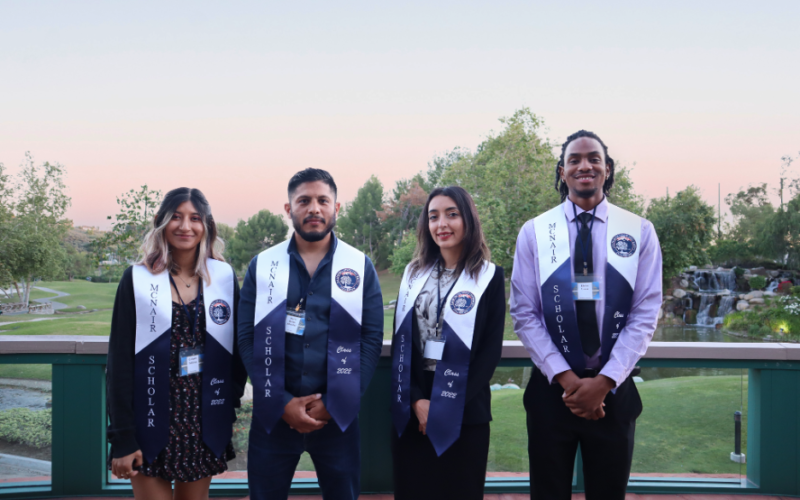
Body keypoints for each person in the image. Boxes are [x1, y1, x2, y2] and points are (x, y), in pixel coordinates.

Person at [510, 130, 662, 500]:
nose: (585, 165)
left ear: (608, 169)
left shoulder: (639, 231)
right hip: (552, 393)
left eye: (594, 158)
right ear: (561, 172)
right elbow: (524, 312)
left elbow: (645, 312)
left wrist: (604, 382)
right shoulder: (535, 232)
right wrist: (567, 380)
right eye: (574, 160)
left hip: (613, 391)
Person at [238, 168, 384, 500]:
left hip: (338, 417)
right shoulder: (263, 265)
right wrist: (281, 401)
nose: (314, 208)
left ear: (337, 208)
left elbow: (371, 338)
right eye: (304, 201)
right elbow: (246, 337)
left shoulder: (360, 267)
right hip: (274, 417)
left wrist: (336, 402)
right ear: (289, 209)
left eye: (322, 200)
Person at [106, 187, 247, 500]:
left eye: (195, 218)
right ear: (161, 221)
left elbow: (238, 352)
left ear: (206, 226)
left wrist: (228, 404)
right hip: (150, 417)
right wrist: (123, 438)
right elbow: (119, 363)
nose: (186, 226)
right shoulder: (137, 279)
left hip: (202, 421)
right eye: (176, 217)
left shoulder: (222, 279)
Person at [391, 186, 505, 500]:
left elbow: (489, 353)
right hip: (413, 409)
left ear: (468, 220)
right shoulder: (413, 275)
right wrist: (417, 401)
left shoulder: (489, 277)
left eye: (452, 214)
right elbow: (402, 345)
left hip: (466, 410)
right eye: (433, 216)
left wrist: (445, 407)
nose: (442, 224)